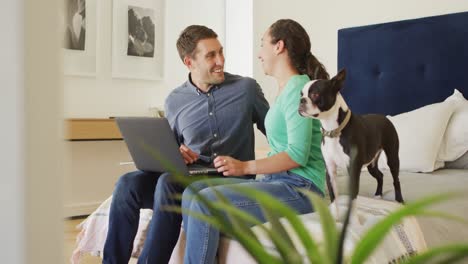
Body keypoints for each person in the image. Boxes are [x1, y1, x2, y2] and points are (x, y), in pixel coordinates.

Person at [102, 25, 269, 264]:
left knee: (168, 183)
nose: (220, 60)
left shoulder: (246, 89)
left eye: (220, 52)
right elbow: (172, 150)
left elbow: (276, 133)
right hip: (190, 175)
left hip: (229, 179)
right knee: (127, 183)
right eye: (211, 55)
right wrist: (178, 152)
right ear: (189, 62)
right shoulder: (174, 101)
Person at [180, 19, 329, 264]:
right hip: (280, 181)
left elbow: (297, 154)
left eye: (262, 44)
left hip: (302, 189)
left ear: (279, 46)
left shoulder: (299, 89)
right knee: (192, 192)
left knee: (205, 202)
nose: (259, 53)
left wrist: (245, 166)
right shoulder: (286, 89)